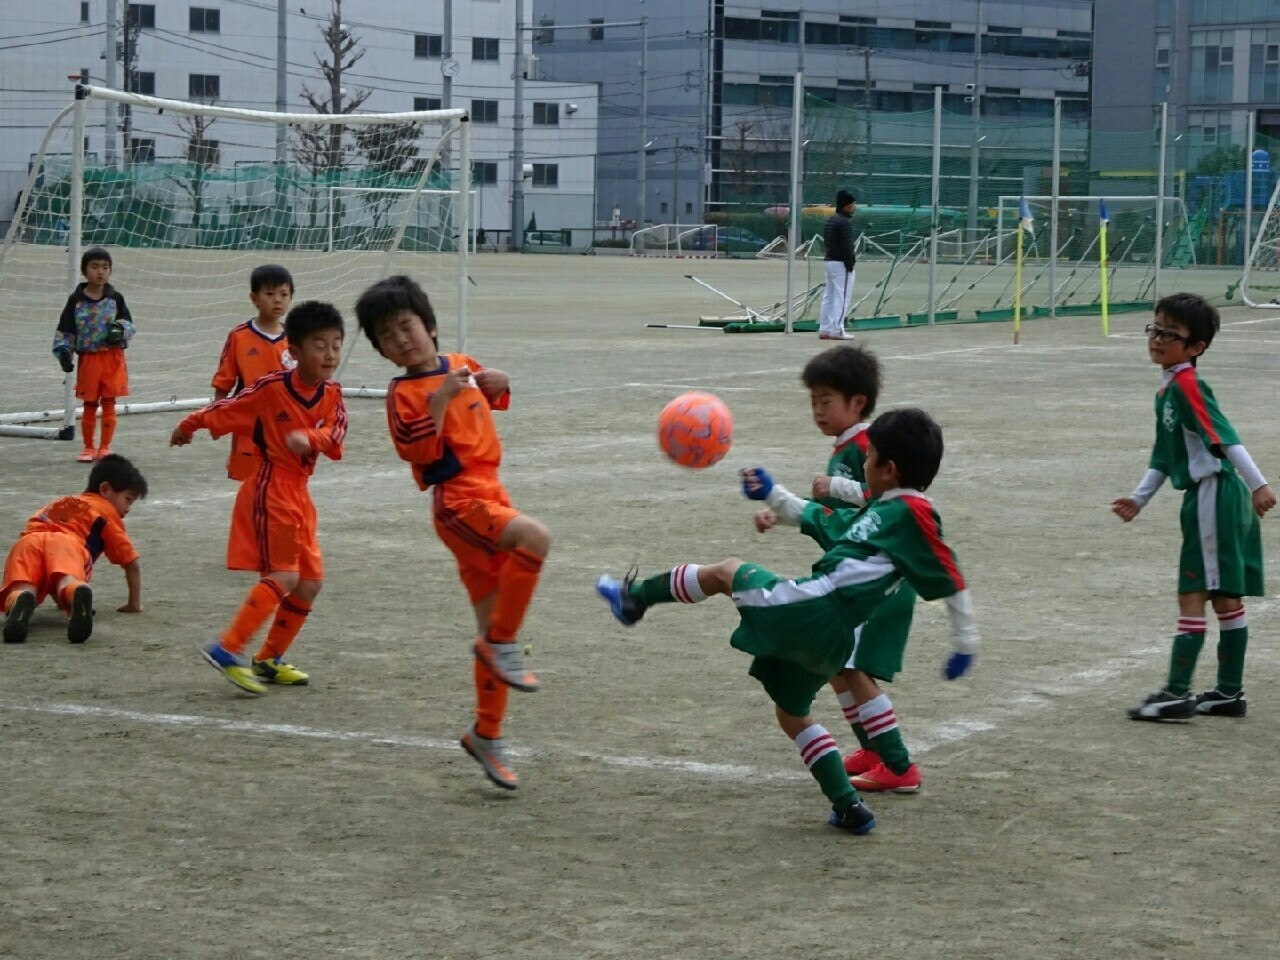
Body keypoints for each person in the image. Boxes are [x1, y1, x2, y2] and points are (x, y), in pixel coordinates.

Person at [596, 408, 978, 833]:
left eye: (869, 459)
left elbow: (951, 575)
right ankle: (849, 806)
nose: (863, 466)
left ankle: (635, 600)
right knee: (791, 714)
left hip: (813, 608)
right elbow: (819, 517)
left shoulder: (911, 513)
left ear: (888, 469)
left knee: (726, 571)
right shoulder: (886, 511)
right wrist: (773, 493)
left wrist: (965, 641)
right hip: (832, 637)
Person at [354, 275, 551, 791]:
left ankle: (487, 734)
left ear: (430, 327)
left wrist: (499, 381)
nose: (402, 339)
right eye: (388, 336)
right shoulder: (402, 394)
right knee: (536, 538)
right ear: (380, 350)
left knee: (490, 622)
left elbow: (493, 395)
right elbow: (417, 452)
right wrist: (439, 398)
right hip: (458, 503)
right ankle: (502, 648)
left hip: (491, 493)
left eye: (407, 326)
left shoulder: (461, 365)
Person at [759, 345, 922, 793]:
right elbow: (831, 512)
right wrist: (784, 511)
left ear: (858, 403)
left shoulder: (870, 445)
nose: (817, 410)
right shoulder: (848, 446)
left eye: (826, 400)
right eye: (813, 401)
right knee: (837, 668)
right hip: (859, 576)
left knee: (851, 671)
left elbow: (888, 498)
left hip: (874, 582)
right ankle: (872, 749)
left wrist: (836, 486)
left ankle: (898, 764)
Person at [170, 301, 347, 696]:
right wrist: (190, 424)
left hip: (301, 496)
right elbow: (231, 407)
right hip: (274, 490)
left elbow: (335, 437)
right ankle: (227, 648)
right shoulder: (272, 389)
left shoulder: (333, 394)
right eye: (320, 345)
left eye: (336, 344)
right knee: (284, 575)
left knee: (310, 583)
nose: (330, 354)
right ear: (295, 352)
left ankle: (268, 659)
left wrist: (311, 437)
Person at [1112, 293, 1274, 720]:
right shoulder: (1169, 389)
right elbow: (1164, 456)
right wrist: (1139, 497)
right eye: (1155, 329)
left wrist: (1259, 484)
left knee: (1193, 592)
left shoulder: (1188, 385)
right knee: (1225, 599)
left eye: (1171, 334)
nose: (1158, 339)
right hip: (1214, 497)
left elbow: (1225, 436)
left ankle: (1177, 694)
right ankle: (1227, 693)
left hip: (1213, 496)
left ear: (1196, 347)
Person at [2, 454, 146, 645]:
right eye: (127, 499)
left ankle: (18, 600)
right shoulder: (105, 512)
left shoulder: (67, 502)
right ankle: (75, 592)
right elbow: (131, 562)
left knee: (23, 586)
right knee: (67, 580)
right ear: (105, 489)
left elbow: (43, 541)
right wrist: (134, 603)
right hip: (67, 545)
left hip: (29, 541)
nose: (128, 508)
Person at [210, 264, 297, 481]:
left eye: (284, 294)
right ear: (254, 298)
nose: (277, 299)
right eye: (270, 294)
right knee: (246, 484)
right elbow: (224, 382)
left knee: (280, 483)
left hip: (284, 427)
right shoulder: (239, 337)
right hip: (247, 426)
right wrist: (216, 417)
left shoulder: (295, 339)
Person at [53, 247, 136, 462]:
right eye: (94, 267)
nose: (100, 272)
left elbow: (128, 323)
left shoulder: (115, 298)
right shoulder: (76, 300)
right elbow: (66, 328)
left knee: (109, 401)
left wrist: (121, 331)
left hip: (112, 358)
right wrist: (64, 351)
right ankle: (88, 447)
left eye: (105, 267)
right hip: (89, 359)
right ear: (84, 270)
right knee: (89, 402)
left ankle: (105, 447)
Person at [818, 190, 857, 340]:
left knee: (829, 296)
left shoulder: (831, 220)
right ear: (846, 205)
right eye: (852, 204)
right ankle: (837, 330)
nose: (854, 206)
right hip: (841, 264)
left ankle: (825, 328)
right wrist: (850, 264)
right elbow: (847, 247)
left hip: (829, 261)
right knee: (842, 297)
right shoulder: (844, 223)